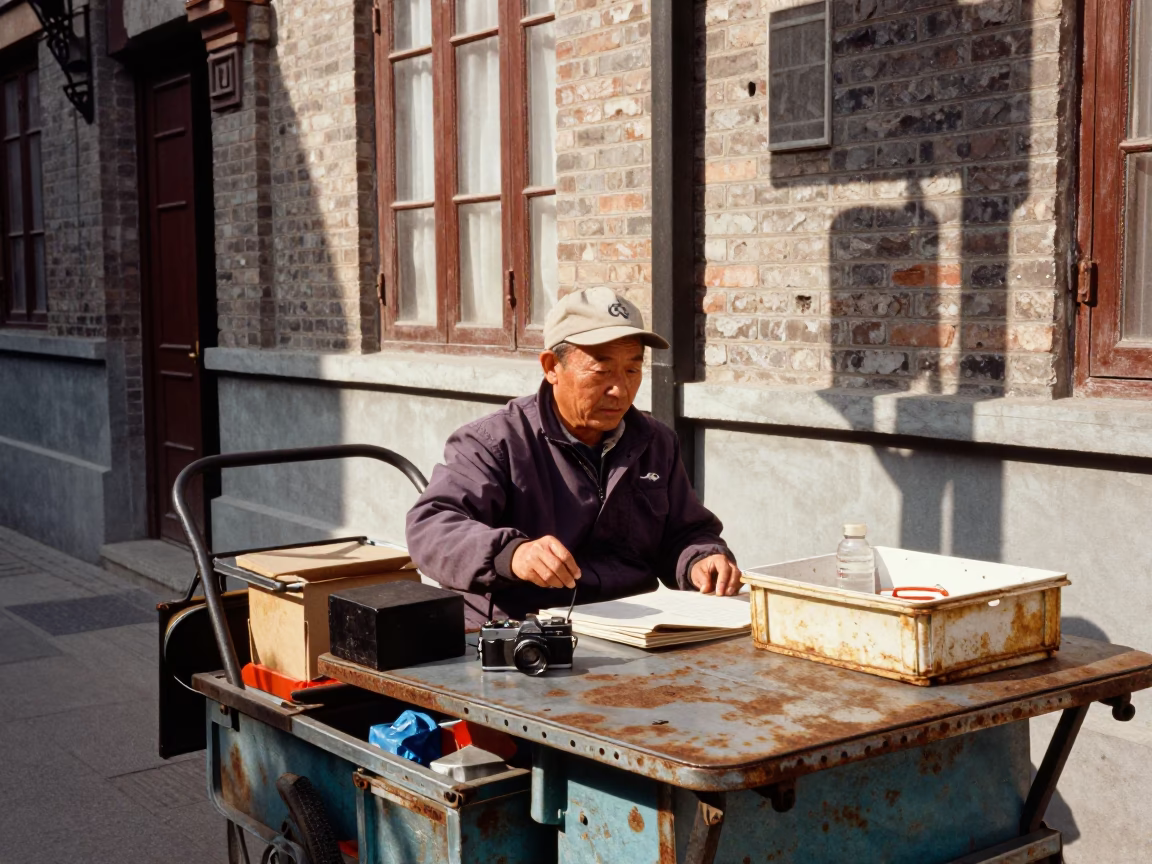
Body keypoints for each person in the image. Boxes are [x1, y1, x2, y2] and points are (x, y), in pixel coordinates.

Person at [405, 287, 741, 627]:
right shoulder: (494, 442)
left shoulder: (656, 442)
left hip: (633, 626)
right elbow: (431, 528)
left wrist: (702, 558)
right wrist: (513, 554)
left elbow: (684, 532)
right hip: (523, 630)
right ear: (552, 367)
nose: (620, 390)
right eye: (602, 371)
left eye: (632, 370)